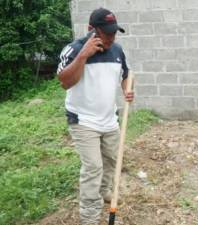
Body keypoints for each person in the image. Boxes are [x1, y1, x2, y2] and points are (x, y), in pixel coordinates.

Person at [57, 8, 133, 225]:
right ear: (91, 29)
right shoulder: (73, 50)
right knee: (93, 167)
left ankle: (104, 191)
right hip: (83, 121)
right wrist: (84, 55)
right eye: (106, 33)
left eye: (113, 33)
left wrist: (127, 90)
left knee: (112, 160)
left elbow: (125, 75)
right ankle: (89, 216)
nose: (111, 38)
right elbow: (65, 82)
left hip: (109, 119)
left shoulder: (117, 50)